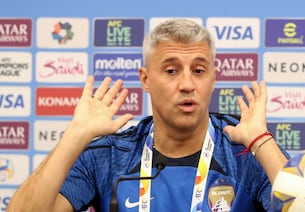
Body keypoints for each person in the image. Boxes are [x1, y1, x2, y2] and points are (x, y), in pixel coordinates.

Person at [7, 19, 289, 212]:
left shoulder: (247, 153)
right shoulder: (109, 155)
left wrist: (262, 142)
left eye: (199, 71)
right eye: (171, 70)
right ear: (145, 79)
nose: (187, 84)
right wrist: (75, 135)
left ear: (213, 78)